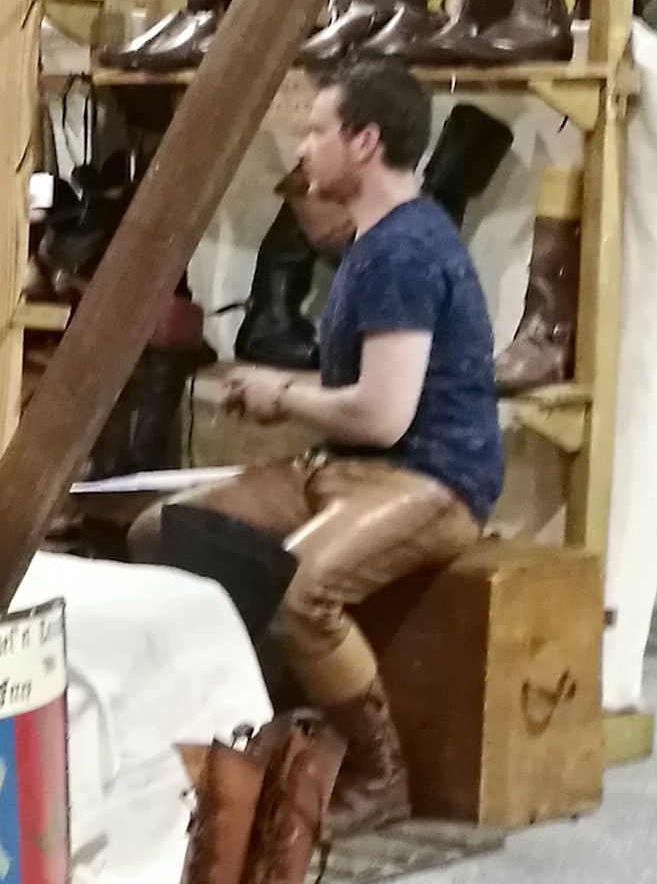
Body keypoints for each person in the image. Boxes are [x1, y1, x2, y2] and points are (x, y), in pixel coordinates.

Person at [141, 58, 501, 837]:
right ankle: (250, 737)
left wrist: (280, 396)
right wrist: (286, 388)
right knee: (165, 531)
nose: (301, 147)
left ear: (364, 142)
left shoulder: (403, 251)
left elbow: (382, 416)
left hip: (430, 479)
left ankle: (379, 774)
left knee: (301, 594)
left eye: (315, 131)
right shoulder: (372, 240)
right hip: (349, 467)